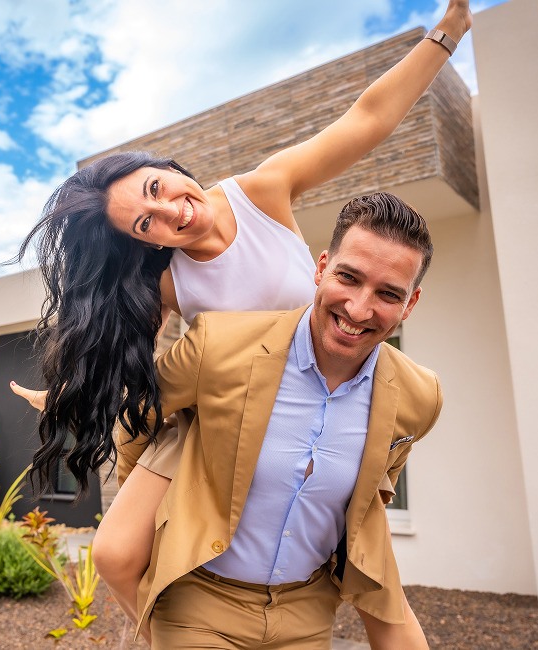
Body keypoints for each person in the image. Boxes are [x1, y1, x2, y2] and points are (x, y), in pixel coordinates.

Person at [10, 0, 470, 642]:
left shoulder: (263, 190)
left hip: (319, 393)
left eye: (154, 189)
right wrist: (72, 395)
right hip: (221, 410)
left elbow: (366, 118)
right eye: (146, 224)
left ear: (165, 168)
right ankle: (175, 629)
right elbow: (140, 377)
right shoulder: (167, 280)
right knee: (114, 554)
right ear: (142, 242)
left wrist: (446, 34)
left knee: (370, 567)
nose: (170, 212)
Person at [116, 192, 442, 648]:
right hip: (198, 604)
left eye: (389, 294)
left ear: (410, 303)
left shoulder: (420, 396)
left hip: (307, 615)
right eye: (348, 278)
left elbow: (377, 487)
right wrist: (148, 510)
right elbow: (137, 419)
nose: (359, 309)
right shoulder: (219, 345)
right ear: (322, 267)